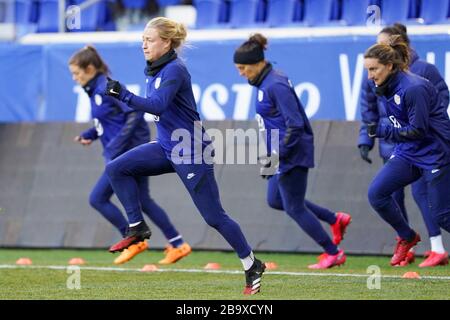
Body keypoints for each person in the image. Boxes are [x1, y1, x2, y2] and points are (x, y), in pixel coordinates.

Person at [103, 17, 265, 295]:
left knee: (214, 217)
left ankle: (251, 263)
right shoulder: (154, 69)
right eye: (142, 39)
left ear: (166, 42)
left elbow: (158, 105)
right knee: (117, 169)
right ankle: (136, 226)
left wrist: (124, 95)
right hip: (167, 146)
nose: (143, 44)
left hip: (190, 150)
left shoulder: (175, 70)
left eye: (149, 39)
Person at [233, 33, 349, 269]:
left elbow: (294, 124)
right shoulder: (266, 82)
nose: (241, 73)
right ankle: (334, 218)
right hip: (280, 152)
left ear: (257, 63)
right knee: (275, 200)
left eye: (243, 68)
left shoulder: (275, 84)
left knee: (294, 207)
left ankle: (333, 252)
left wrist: (276, 155)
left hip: (292, 152)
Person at [68, 45, 191, 265]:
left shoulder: (105, 87)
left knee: (97, 198)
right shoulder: (94, 90)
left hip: (126, 154)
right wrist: (90, 134)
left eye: (76, 73)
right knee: (143, 200)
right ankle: (177, 243)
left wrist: (116, 146)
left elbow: (134, 113)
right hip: (122, 151)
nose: (74, 78)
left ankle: (134, 239)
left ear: (89, 68)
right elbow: (106, 122)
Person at [358, 23, 449, 267]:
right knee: (376, 194)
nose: (369, 76)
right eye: (367, 70)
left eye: (373, 69)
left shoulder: (413, 87)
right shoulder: (385, 86)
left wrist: (381, 130)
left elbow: (418, 130)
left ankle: (436, 249)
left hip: (435, 154)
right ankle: (407, 237)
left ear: (389, 65)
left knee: (443, 215)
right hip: (409, 152)